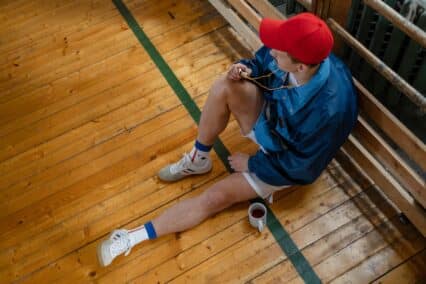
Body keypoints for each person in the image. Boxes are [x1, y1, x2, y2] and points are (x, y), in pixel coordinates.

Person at [97, 12, 358, 267]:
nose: (271, 48)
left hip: (284, 163)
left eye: (278, 49)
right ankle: (198, 159)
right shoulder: (295, 53)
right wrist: (244, 68)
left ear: (300, 66)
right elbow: (261, 62)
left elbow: (303, 168)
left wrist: (253, 164)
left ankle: (131, 237)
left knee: (215, 198)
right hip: (274, 123)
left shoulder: (330, 112)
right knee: (225, 84)